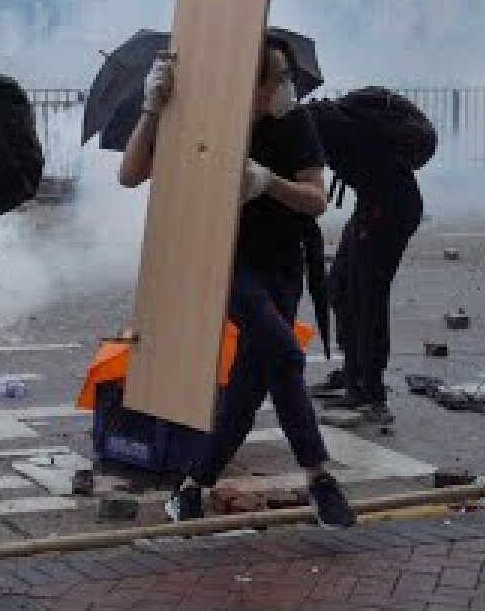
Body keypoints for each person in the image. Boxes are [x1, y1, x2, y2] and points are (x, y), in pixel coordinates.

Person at [118, 38, 356, 528]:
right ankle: (319, 478)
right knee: (286, 353)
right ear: (249, 85)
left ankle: (190, 487)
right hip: (222, 260)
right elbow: (131, 173)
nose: (287, 87)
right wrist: (152, 109)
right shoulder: (201, 120)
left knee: (252, 384)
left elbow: (316, 199)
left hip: (283, 262)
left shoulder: (295, 123)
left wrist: (269, 183)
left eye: (290, 76)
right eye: (277, 78)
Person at [307, 103, 424, 425]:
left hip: (388, 209)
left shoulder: (319, 125)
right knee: (340, 286)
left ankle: (371, 394)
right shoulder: (321, 120)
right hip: (373, 204)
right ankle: (352, 373)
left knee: (366, 298)